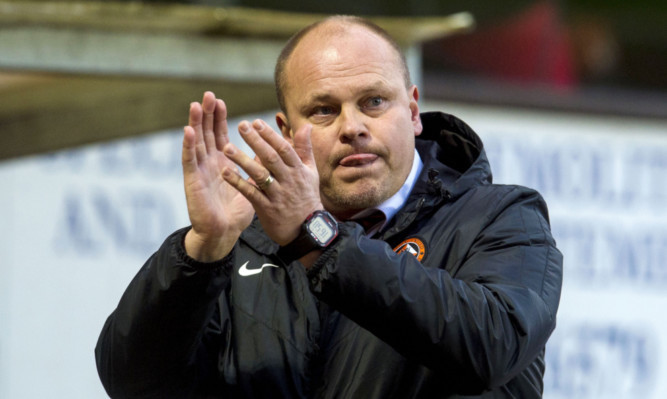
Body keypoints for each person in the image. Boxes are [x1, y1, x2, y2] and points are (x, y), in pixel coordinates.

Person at [95, 15, 563, 398]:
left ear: (414, 110)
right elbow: (133, 383)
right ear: (285, 128)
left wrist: (317, 238)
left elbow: (492, 345)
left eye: (374, 102)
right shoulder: (239, 246)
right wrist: (202, 249)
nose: (352, 126)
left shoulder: (501, 216)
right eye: (323, 110)